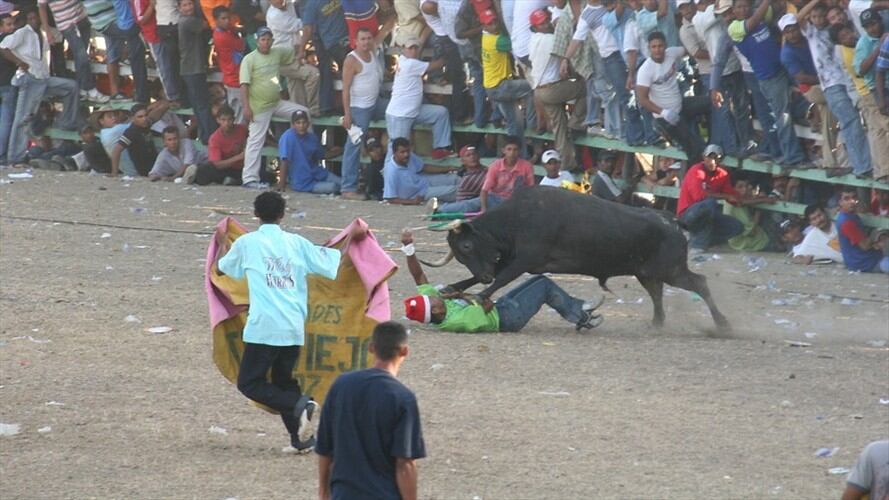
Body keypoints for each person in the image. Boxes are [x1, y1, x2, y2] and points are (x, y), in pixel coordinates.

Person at [216, 191, 365, 454]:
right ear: (282, 215)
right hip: (293, 326)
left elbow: (222, 268)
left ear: (255, 214)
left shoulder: (248, 243)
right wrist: (352, 236)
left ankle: (300, 405)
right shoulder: (297, 243)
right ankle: (301, 440)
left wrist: (221, 243)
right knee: (284, 381)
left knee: (250, 383)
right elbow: (332, 261)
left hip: (264, 326)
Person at [399, 229, 604, 332]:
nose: (434, 295)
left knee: (540, 279)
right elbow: (486, 304)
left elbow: (418, 276)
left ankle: (578, 312)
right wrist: (461, 294)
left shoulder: (435, 307)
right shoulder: (457, 321)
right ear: (436, 311)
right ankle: (581, 315)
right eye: (432, 300)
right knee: (544, 286)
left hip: (500, 307)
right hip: (507, 318)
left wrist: (408, 248)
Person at [315, 321, 426, 500]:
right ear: (405, 351)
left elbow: (325, 447)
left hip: (344, 494)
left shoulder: (341, 385)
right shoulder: (403, 398)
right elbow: (404, 464)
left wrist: (323, 492)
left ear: (371, 348)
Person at [728, 0, 811, 168]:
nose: (743, 9)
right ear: (733, 11)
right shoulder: (734, 28)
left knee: (807, 98)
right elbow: (755, 20)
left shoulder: (758, 15)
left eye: (746, 5)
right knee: (783, 117)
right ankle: (793, 158)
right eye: (739, 7)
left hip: (785, 66)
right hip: (770, 77)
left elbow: (780, 10)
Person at [795, 3, 873, 178]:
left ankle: (859, 164)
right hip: (832, 85)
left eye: (821, 16)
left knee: (853, 124)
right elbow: (798, 18)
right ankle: (862, 166)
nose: (818, 20)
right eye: (814, 17)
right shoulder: (811, 33)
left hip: (848, 82)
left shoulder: (836, 32)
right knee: (851, 122)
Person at [0, 9, 79, 166]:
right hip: (29, 79)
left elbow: (59, 38)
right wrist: (19, 62)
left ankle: (66, 122)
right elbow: (3, 47)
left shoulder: (43, 33)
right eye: (30, 18)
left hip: (43, 78)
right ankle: (15, 157)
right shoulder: (23, 32)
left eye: (36, 18)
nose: (34, 20)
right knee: (23, 119)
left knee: (71, 87)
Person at [240, 26, 310, 189]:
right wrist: (246, 107)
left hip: (276, 102)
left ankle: (306, 155)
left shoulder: (277, 53)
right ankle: (249, 178)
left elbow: (293, 51)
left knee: (303, 113)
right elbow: (244, 85)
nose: (266, 42)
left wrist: (302, 52)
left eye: (268, 39)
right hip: (259, 106)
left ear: (272, 41)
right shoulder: (249, 59)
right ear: (257, 41)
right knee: (255, 141)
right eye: (263, 39)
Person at [636, 31, 709, 162]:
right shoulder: (645, 70)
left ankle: (715, 137)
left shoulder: (672, 53)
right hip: (666, 116)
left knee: (711, 102)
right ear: (649, 48)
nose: (657, 50)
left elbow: (689, 50)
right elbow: (642, 99)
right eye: (654, 47)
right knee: (694, 149)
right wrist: (663, 112)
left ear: (665, 46)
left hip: (680, 105)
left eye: (660, 46)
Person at [563, 0, 630, 141]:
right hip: (610, 56)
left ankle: (623, 130)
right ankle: (619, 131)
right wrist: (565, 59)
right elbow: (576, 40)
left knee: (623, 93)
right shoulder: (586, 15)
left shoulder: (608, 3)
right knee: (618, 94)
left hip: (626, 51)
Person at [529, 8, 587, 172]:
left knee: (559, 129)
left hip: (540, 91)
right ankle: (576, 122)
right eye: (542, 23)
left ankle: (568, 164)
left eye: (547, 21)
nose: (547, 24)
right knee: (586, 87)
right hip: (552, 88)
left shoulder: (533, 39)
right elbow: (568, 53)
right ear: (535, 27)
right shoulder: (551, 39)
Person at [832, 22, 889, 183]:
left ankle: (882, 171)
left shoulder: (858, 45)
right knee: (883, 127)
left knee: (877, 131)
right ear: (839, 41)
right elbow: (862, 70)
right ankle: (883, 170)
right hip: (867, 92)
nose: (849, 36)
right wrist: (880, 47)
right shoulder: (849, 52)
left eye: (848, 32)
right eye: (843, 36)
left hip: (867, 92)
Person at [384, 36, 454, 159]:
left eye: (416, 48)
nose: (413, 51)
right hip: (400, 115)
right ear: (403, 50)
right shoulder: (410, 64)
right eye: (410, 48)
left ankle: (440, 149)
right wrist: (448, 54)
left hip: (413, 111)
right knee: (397, 150)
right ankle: (389, 171)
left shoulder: (403, 59)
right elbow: (437, 64)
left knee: (441, 113)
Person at [341, 27, 389, 200]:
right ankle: (348, 188)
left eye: (369, 38)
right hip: (358, 108)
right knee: (353, 145)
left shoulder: (373, 51)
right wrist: (347, 114)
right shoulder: (351, 60)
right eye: (362, 39)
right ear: (356, 41)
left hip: (375, 103)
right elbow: (345, 89)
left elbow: (385, 30)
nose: (366, 42)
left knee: (397, 112)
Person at [676, 144, 745, 252]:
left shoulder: (723, 174)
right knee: (709, 204)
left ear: (720, 160)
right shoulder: (696, 170)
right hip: (687, 214)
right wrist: (727, 196)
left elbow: (734, 197)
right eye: (709, 157)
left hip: (708, 214)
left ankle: (699, 240)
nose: (712, 161)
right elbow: (700, 196)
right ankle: (697, 244)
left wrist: (760, 199)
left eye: (716, 158)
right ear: (704, 157)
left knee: (736, 226)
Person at [480, 9, 534, 143]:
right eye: (490, 24)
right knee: (532, 87)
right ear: (484, 26)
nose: (494, 25)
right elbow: (517, 44)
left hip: (492, 87)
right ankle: (533, 124)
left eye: (495, 22)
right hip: (500, 86)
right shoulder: (497, 41)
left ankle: (516, 149)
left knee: (513, 123)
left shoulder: (485, 37)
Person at [38, 0, 108, 102]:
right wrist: (47, 31)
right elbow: (41, 7)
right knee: (81, 55)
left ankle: (82, 90)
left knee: (81, 57)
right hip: (66, 24)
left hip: (82, 17)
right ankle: (90, 88)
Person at [266, 0, 320, 115]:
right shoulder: (274, 15)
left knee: (296, 87)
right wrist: (315, 13)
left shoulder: (289, 4)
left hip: (293, 53)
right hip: (283, 58)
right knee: (313, 74)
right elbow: (301, 25)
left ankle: (300, 113)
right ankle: (313, 109)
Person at [301, 0, 350, 114]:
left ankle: (329, 107)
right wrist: (301, 49)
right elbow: (308, 28)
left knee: (332, 71)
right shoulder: (312, 4)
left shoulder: (311, 4)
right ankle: (329, 106)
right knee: (333, 71)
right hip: (331, 42)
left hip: (342, 40)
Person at [277, 110, 341, 194]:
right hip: (302, 182)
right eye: (298, 123)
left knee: (343, 183)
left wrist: (341, 150)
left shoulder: (312, 137)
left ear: (308, 123)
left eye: (304, 122)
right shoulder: (287, 137)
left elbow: (323, 155)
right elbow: (284, 161)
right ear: (293, 125)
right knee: (333, 187)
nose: (301, 126)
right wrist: (281, 185)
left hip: (318, 173)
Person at [178, 0, 216, 144]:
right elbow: (206, 25)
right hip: (193, 69)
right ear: (179, 8)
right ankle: (209, 136)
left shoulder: (185, 21)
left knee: (199, 105)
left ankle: (206, 135)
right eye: (185, 5)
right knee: (202, 105)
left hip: (191, 69)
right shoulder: (187, 21)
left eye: (190, 4)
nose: (189, 7)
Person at [383, 137, 460, 205]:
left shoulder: (410, 156)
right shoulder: (391, 171)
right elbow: (390, 199)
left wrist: (448, 168)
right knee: (453, 190)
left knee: (454, 178)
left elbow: (424, 167)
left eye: (408, 151)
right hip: (419, 193)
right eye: (402, 152)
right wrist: (412, 201)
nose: (406, 154)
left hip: (425, 181)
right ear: (394, 153)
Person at [835, 186, 889, 273]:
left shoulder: (851, 215)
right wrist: (876, 233)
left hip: (862, 259)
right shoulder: (847, 221)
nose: (852, 202)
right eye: (847, 199)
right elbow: (865, 246)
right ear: (840, 202)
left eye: (854, 197)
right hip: (864, 263)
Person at [191, 105, 246, 185]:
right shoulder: (214, 138)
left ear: (234, 119)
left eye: (229, 119)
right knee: (205, 169)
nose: (226, 123)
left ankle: (228, 181)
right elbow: (216, 164)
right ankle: (192, 177)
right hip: (223, 168)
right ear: (218, 120)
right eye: (223, 120)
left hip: (240, 168)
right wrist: (239, 157)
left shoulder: (242, 129)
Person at [722, 176, 780, 251]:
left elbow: (747, 201)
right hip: (748, 242)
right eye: (740, 187)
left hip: (752, 236)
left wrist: (761, 198)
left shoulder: (740, 199)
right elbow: (752, 232)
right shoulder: (733, 201)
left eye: (746, 186)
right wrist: (760, 208)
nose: (744, 190)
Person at [105, 0, 148, 102]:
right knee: (137, 62)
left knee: (134, 60)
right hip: (130, 24)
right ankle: (141, 95)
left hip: (121, 23)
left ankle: (140, 95)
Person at [480, 135, 535, 212]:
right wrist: (483, 209)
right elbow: (484, 190)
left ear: (519, 151)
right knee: (468, 205)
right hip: (494, 198)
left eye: (515, 150)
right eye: (509, 149)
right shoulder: (495, 165)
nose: (512, 153)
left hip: (516, 202)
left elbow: (531, 189)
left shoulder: (527, 166)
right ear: (503, 150)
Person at [212, 6, 246, 123]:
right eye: (223, 18)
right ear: (216, 20)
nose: (227, 21)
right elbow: (241, 44)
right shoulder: (223, 37)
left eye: (228, 18)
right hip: (234, 78)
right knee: (239, 117)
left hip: (232, 77)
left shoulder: (223, 31)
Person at [110, 103, 164, 176]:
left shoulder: (146, 125)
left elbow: (160, 111)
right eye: (140, 117)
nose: (144, 119)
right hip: (146, 169)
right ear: (133, 118)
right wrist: (114, 172)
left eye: (146, 115)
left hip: (156, 163)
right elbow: (116, 151)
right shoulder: (131, 132)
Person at [432, 144, 488, 213]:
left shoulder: (484, 170)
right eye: (468, 155)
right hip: (467, 206)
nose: (472, 157)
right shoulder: (468, 179)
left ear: (479, 156)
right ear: (463, 161)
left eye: (474, 154)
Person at [0, 13, 16, 164]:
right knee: (6, 121)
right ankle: (2, 154)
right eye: (8, 24)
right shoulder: (9, 41)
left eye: (13, 24)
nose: (12, 27)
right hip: (7, 84)